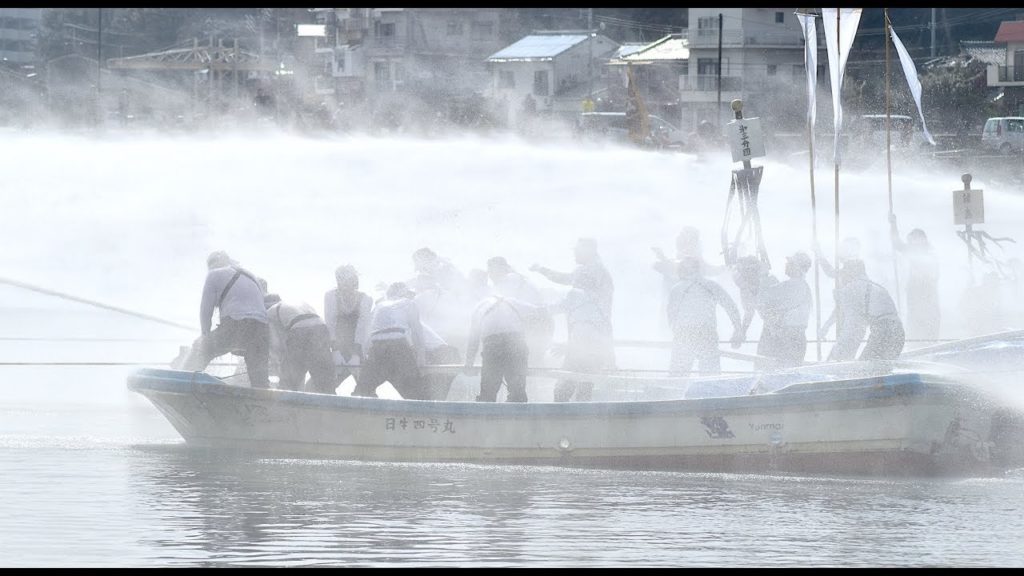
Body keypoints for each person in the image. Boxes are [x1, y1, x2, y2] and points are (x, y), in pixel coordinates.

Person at [181, 251, 270, 389]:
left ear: (215, 263)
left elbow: (206, 310)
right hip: (262, 329)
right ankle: (264, 405)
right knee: (260, 381)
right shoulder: (251, 276)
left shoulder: (214, 274)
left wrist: (205, 336)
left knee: (200, 348)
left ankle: (182, 384)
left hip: (236, 323)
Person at [666, 256, 744, 376]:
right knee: (710, 376)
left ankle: (675, 392)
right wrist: (738, 330)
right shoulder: (711, 285)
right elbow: (731, 307)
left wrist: (675, 332)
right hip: (706, 332)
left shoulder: (676, 289)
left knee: (678, 375)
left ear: (682, 271)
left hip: (684, 334)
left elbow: (671, 315)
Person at [546, 271, 616, 402]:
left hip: (580, 349)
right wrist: (611, 359)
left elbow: (553, 309)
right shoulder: (600, 301)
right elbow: (605, 331)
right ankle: (582, 419)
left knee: (562, 389)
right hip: (597, 351)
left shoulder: (576, 294)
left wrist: (534, 312)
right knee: (585, 388)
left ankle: (560, 418)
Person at [463, 294, 545, 403]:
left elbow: (474, 338)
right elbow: (542, 312)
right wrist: (540, 343)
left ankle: (484, 417)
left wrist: (469, 363)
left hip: (493, 345)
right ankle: (517, 415)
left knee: (488, 393)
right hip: (516, 344)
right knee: (517, 392)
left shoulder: (479, 307)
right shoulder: (513, 302)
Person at [354, 282, 428, 400]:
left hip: (377, 346)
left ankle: (353, 413)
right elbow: (416, 330)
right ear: (404, 293)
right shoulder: (409, 303)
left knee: (362, 390)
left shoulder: (379, 306)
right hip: (398, 345)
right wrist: (421, 356)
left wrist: (365, 357)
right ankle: (423, 413)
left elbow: (367, 333)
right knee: (416, 393)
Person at [827, 259, 905, 362]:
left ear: (850, 273)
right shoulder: (877, 287)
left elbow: (851, 327)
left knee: (864, 369)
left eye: (844, 273)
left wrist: (837, 352)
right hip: (899, 333)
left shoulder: (852, 289)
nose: (842, 277)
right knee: (883, 369)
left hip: (883, 332)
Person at [487, 255, 553, 367]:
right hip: (542, 324)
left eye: (492, 271)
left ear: (501, 269)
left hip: (534, 325)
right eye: (489, 271)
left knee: (522, 364)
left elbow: (502, 309)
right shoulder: (518, 279)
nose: (490, 275)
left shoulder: (508, 281)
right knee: (531, 364)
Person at [264, 292, 336, 394]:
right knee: (324, 380)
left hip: (299, 330)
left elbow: (275, 344)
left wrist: (276, 363)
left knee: (288, 382)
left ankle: (283, 406)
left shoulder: (269, 313)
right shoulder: (299, 304)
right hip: (321, 328)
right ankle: (331, 406)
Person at [531, 237, 614, 320]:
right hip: (594, 326)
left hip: (589, 326)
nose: (575, 253)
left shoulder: (591, 272)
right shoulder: (591, 270)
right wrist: (541, 270)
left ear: (588, 251)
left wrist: (540, 311)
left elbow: (573, 300)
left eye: (578, 250)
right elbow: (565, 279)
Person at [755, 252, 813, 369]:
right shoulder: (801, 286)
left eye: (791, 263)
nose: (786, 265)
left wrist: (764, 275)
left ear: (799, 268)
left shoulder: (794, 286)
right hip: (792, 338)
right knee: (785, 373)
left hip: (789, 339)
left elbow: (765, 298)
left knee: (779, 374)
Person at [890, 214, 940, 345]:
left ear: (923, 240)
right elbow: (897, 244)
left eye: (917, 239)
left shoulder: (930, 256)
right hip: (914, 291)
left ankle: (928, 342)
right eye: (912, 240)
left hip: (927, 293)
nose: (914, 242)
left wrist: (925, 279)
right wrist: (893, 224)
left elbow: (934, 276)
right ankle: (915, 342)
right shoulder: (911, 250)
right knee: (914, 318)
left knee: (927, 319)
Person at [323, 264, 373, 390]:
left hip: (358, 347)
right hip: (337, 347)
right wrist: (335, 351)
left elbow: (363, 328)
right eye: (340, 280)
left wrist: (356, 354)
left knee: (365, 389)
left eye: (347, 280)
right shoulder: (330, 296)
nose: (344, 284)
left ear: (355, 281)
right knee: (322, 386)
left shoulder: (366, 298)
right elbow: (330, 323)